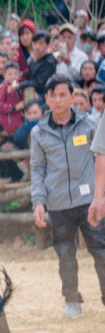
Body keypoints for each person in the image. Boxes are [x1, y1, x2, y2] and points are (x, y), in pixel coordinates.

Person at [31, 75, 105, 318]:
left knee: (101, 251)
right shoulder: (38, 132)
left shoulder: (90, 123)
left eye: (64, 94)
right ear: (47, 99)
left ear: (73, 97)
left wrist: (101, 196)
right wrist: (38, 201)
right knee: (65, 255)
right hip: (58, 204)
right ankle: (72, 302)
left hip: (90, 202)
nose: (59, 99)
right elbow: (37, 169)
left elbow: (101, 161)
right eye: (54, 95)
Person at [19, 30, 56, 103]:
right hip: (31, 93)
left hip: (43, 98)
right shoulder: (33, 59)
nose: (37, 47)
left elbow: (39, 83)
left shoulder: (50, 61)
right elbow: (28, 74)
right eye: (35, 43)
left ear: (48, 45)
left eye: (41, 44)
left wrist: (19, 84)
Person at [0, 62, 25, 134]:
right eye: (10, 74)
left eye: (15, 74)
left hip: (18, 118)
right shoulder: (2, 87)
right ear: (4, 75)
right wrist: (14, 107)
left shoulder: (17, 86)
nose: (13, 76)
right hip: (9, 121)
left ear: (19, 75)